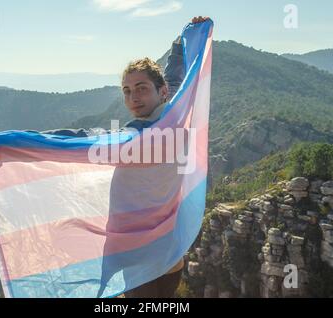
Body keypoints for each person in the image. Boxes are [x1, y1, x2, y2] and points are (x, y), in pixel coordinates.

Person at [37, 16, 210, 298]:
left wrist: (24, 142)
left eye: (141, 88)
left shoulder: (133, 136)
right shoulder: (177, 112)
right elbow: (177, 75)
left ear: (161, 91)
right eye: (127, 91)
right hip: (167, 250)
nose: (133, 97)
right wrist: (184, 39)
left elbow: (83, 138)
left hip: (144, 252)